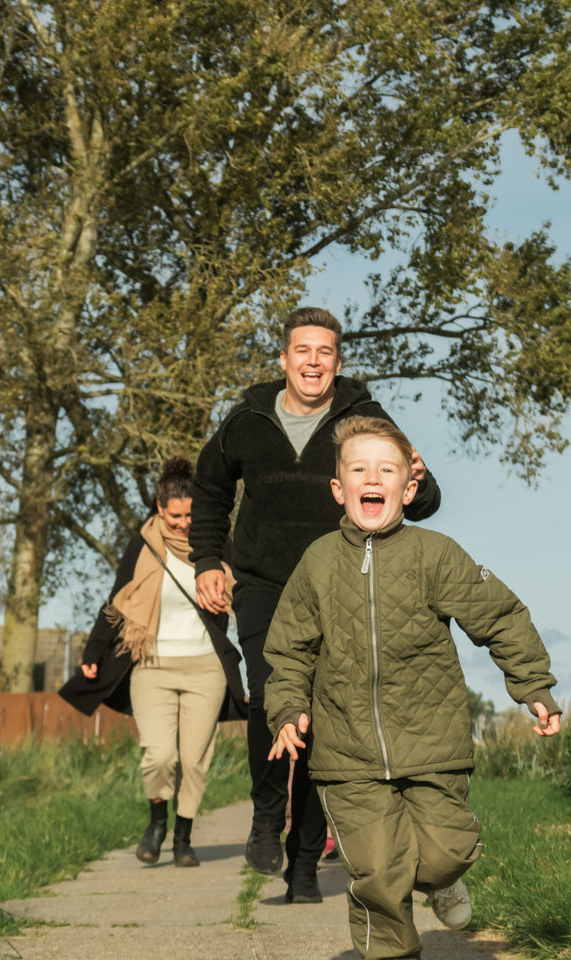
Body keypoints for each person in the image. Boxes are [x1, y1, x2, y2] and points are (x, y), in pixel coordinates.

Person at [265, 416, 561, 960]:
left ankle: (444, 880)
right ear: (339, 488)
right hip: (346, 752)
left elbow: (499, 618)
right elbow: (289, 650)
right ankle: (393, 952)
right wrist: (286, 709)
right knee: (377, 872)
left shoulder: (434, 554)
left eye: (386, 469)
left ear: (409, 487)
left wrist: (533, 686)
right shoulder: (318, 563)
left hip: (432, 740)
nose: (371, 478)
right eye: (359, 469)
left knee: (445, 853)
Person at [189, 307, 442, 902]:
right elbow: (209, 487)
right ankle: (265, 813)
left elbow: (418, 498)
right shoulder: (247, 421)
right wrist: (206, 560)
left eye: (323, 352)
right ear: (283, 360)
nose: (312, 362)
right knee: (273, 689)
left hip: (339, 587)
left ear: (337, 361)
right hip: (261, 582)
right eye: (301, 351)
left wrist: (423, 481)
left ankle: (304, 862)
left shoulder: (364, 419)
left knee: (321, 723)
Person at [58, 458, 247, 868]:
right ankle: (156, 823)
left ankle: (183, 837)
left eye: (190, 515)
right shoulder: (142, 545)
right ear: (159, 510)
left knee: (194, 761)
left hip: (205, 668)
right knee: (160, 755)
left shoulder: (216, 544)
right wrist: (92, 655)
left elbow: (244, 593)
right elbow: (117, 600)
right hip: (151, 665)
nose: (183, 524)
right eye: (175, 516)